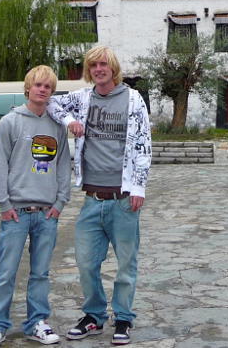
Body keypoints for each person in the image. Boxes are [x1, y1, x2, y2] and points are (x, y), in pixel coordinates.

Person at [48, 46, 151, 346]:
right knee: (85, 262)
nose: (98, 69)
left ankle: (123, 318)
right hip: (92, 198)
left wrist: (139, 187)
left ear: (113, 67)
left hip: (123, 198)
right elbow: (53, 104)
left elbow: (144, 143)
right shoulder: (83, 97)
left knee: (125, 265)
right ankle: (93, 315)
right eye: (93, 65)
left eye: (103, 64)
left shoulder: (133, 99)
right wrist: (70, 123)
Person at [0, 65, 72, 348]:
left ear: (52, 92)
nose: (43, 90)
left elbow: (63, 166)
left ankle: (37, 323)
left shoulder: (57, 127)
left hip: (46, 214)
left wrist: (60, 202)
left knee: (41, 273)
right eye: (38, 85)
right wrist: (3, 204)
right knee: (6, 272)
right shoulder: (10, 122)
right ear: (28, 88)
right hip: (16, 214)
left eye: (48, 87)